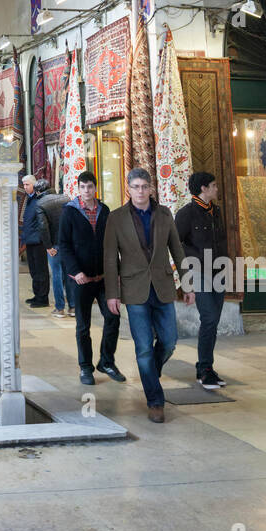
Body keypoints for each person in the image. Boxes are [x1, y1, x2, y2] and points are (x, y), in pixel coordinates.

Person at [103, 167, 190, 423]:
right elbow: (110, 259)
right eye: (135, 187)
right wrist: (112, 294)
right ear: (128, 189)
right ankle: (155, 401)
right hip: (134, 290)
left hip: (162, 287)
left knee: (170, 341)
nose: (140, 191)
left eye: (144, 187)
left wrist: (187, 284)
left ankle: (151, 372)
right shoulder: (116, 218)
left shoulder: (164, 214)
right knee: (143, 349)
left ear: (151, 188)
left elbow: (177, 249)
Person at [59, 170, 125, 386]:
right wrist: (76, 270)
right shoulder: (69, 212)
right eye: (82, 187)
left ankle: (106, 361)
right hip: (80, 280)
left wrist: (115, 273)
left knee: (113, 317)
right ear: (78, 189)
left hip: (103, 277)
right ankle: (86, 367)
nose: (86, 191)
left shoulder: (105, 211)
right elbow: (65, 245)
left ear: (95, 188)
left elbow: (112, 244)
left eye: (90, 187)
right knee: (83, 326)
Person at [175, 171, 228, 392]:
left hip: (219, 271)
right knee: (209, 317)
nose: (217, 188)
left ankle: (206, 367)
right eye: (213, 185)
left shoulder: (215, 212)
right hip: (199, 273)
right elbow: (176, 244)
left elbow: (222, 240)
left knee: (213, 321)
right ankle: (204, 369)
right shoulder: (186, 214)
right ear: (203, 189)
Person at [36, 179, 75, 319]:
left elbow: (43, 226)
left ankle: (60, 308)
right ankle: (73, 307)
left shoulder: (40, 203)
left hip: (55, 246)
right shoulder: (66, 198)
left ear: (38, 191)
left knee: (57, 276)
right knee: (69, 274)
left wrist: (48, 246)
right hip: (68, 243)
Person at [20, 175, 50, 308]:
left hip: (38, 240)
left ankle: (43, 298)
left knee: (41, 270)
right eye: (24, 185)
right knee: (33, 270)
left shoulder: (39, 199)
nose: (25, 187)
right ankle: (37, 295)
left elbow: (42, 221)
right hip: (30, 239)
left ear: (34, 185)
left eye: (27, 185)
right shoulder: (30, 199)